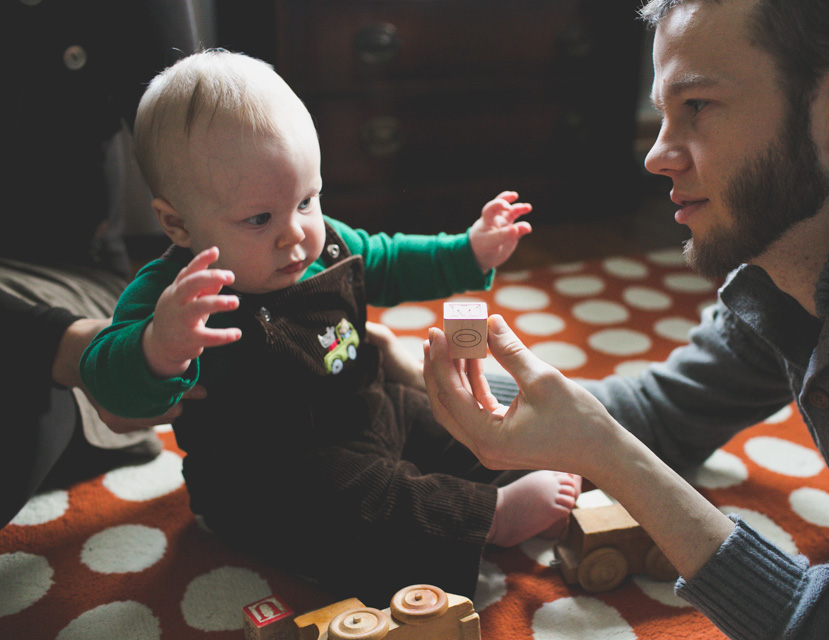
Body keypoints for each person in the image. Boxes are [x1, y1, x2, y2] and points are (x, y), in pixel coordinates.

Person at [422, 0, 829, 637]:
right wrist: (407, 375)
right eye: (663, 111)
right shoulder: (797, 255)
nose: (655, 155)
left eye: (697, 106)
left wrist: (610, 456)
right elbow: (669, 408)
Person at [79, 50, 580, 602]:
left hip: (369, 410)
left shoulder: (328, 243)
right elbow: (106, 375)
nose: (295, 234)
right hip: (273, 481)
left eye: (307, 200)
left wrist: (468, 251)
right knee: (363, 497)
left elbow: (391, 260)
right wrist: (158, 346)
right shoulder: (174, 296)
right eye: (260, 219)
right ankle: (490, 517)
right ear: (177, 222)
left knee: (447, 423)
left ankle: (503, 477)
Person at [1, 0, 202, 529]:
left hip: (62, 285)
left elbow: (213, 170)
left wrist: (325, 315)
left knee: (21, 390)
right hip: (59, 337)